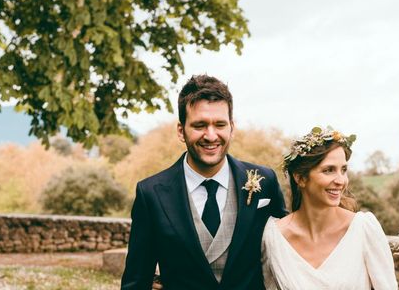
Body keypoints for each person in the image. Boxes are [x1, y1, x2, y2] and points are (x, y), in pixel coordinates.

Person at [121, 75, 287, 290]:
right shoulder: (151, 193)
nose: (211, 135)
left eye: (220, 124)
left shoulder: (265, 182)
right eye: (200, 125)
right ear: (181, 131)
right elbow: (137, 280)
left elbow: (284, 256)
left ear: (232, 128)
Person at [261, 126, 398, 290]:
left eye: (344, 170)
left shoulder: (363, 229)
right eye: (329, 170)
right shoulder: (273, 237)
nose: (341, 180)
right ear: (300, 178)